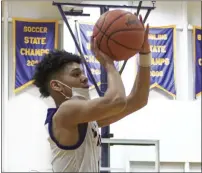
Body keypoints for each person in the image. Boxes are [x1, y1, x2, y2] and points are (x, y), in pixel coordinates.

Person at [33, 15, 151, 172]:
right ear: (56, 86)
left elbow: (138, 100)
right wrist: (108, 63)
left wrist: (145, 55)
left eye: (82, 73)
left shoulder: (86, 119)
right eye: (75, 74)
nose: (84, 78)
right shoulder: (66, 112)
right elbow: (117, 100)